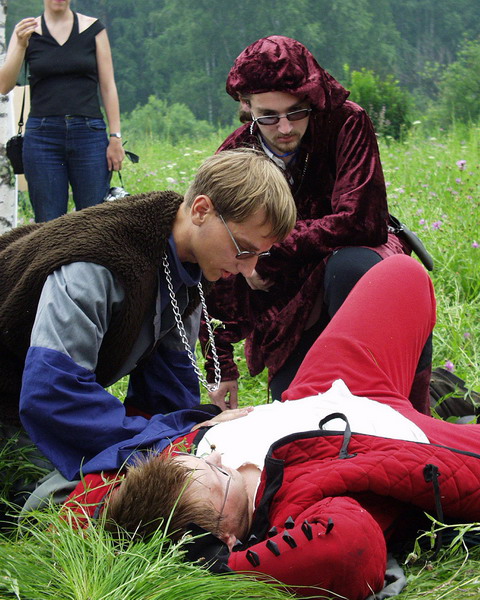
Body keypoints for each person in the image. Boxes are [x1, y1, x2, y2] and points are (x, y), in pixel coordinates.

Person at [65, 255, 480, 600]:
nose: (214, 458)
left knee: (401, 273)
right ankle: (430, 413)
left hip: (322, 388)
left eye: (198, 460)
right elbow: (347, 550)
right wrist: (223, 568)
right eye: (217, 475)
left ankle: (426, 398)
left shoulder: (175, 481)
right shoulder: (293, 516)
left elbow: (80, 507)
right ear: (226, 536)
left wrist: (196, 434)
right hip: (401, 439)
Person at [0, 149, 296, 487]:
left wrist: (192, 437)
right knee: (68, 492)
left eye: (259, 254)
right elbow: (52, 394)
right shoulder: (99, 262)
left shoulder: (189, 262)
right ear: (201, 210)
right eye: (243, 249)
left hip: (36, 397)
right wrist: (166, 440)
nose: (249, 269)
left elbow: (166, 392)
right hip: (15, 403)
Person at [199, 35, 432, 414]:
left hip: (356, 269)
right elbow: (215, 256)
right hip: (291, 302)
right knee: (300, 414)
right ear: (246, 106)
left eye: (297, 112)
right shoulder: (235, 154)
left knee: (353, 267)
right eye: (268, 116)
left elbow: (362, 220)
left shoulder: (346, 122)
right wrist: (221, 365)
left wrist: (268, 255)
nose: (285, 128)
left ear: (313, 98)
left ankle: (398, 406)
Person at [0, 0, 125, 222]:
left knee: (94, 221)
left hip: (89, 134)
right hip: (42, 138)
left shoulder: (94, 29)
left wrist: (115, 137)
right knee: (48, 223)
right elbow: (4, 85)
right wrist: (20, 44)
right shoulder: (26, 31)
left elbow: (108, 86)